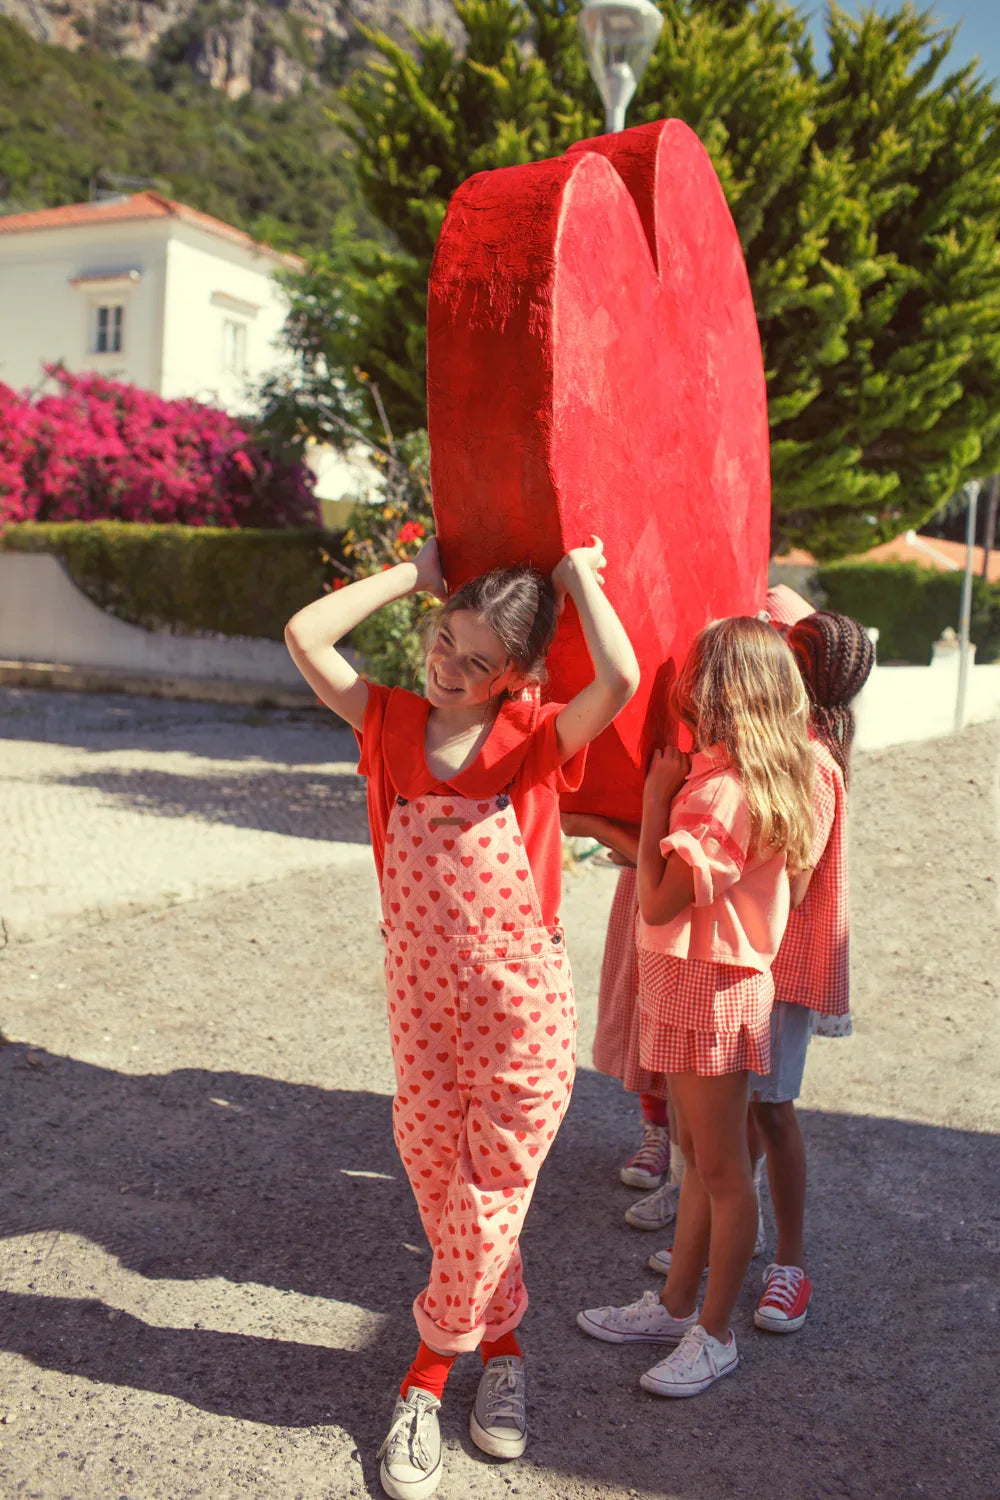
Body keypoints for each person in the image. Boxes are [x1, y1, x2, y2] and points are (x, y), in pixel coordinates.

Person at [285, 534, 638, 1499]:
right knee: (448, 1194)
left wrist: (579, 582)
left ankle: (425, 1383)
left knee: (488, 1195)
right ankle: (510, 1351)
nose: (446, 667)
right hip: (421, 1013)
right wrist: (415, 575)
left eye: (477, 662)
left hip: (522, 1012)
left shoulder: (537, 739)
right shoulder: (387, 720)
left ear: (514, 676)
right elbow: (305, 634)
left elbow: (623, 673)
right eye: (443, 642)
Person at [576, 617, 814, 1397]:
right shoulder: (767, 779)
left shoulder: (714, 794)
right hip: (708, 987)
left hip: (706, 990)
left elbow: (653, 902)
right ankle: (678, 1306)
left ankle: (713, 1334)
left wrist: (653, 801)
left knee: (718, 1170)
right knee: (700, 1158)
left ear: (716, 693)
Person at [749, 609, 874, 1335]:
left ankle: (789, 1265)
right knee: (746, 1106)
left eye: (785, 655)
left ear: (803, 676)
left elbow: (792, 885)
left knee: (771, 1109)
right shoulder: (803, 747)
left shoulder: (811, 762)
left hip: (781, 965)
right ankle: (734, 1234)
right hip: (764, 957)